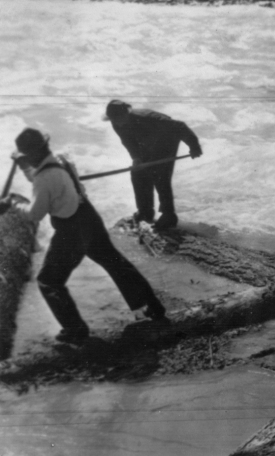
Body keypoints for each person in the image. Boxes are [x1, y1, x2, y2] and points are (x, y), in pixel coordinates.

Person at [0, 128, 167, 344]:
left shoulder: (45, 177)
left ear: (32, 154)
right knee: (116, 264)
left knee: (49, 281)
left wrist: (12, 202)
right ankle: (151, 307)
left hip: (72, 230)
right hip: (88, 217)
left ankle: (75, 331)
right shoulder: (61, 160)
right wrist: (24, 166)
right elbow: (45, 182)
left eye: (26, 156)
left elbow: (35, 213)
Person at [104, 99, 203, 230]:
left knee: (159, 173)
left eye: (118, 118)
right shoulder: (116, 123)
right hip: (146, 142)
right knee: (137, 172)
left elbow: (179, 126)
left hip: (167, 138)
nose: (116, 123)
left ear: (126, 114)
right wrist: (136, 158)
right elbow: (128, 142)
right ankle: (145, 210)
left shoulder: (148, 119)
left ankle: (169, 215)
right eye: (113, 119)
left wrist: (194, 146)